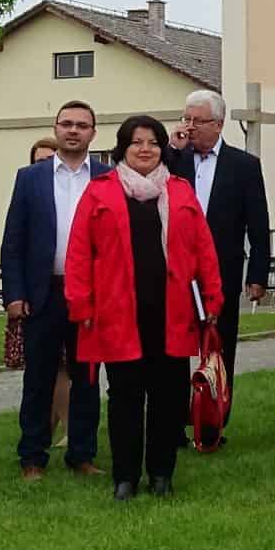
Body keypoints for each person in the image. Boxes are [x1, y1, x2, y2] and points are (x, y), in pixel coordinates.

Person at [65, 113, 223, 500]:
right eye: (136, 142)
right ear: (123, 147)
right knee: (125, 398)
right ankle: (125, 477)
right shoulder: (99, 192)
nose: (145, 149)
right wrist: (80, 304)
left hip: (172, 315)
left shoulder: (181, 191)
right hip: (118, 316)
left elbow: (204, 249)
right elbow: (79, 252)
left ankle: (162, 473)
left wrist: (213, 296)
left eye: (153, 142)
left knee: (168, 398)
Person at [0, 101, 107, 481]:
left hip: (92, 296)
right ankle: (32, 456)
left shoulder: (107, 178)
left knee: (87, 380)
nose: (73, 130)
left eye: (82, 125)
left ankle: (82, 454)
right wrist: (14, 293)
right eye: (67, 124)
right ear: (56, 128)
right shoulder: (30, 177)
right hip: (43, 294)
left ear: (94, 132)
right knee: (38, 380)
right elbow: (13, 240)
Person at [169, 89, 272, 380]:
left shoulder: (244, 166)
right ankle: (175, 414)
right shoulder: (173, 159)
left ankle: (215, 416)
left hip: (221, 269)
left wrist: (257, 275)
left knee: (220, 345)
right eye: (186, 118)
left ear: (218, 124)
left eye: (197, 121)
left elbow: (258, 224)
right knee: (174, 348)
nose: (189, 127)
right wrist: (172, 150)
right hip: (176, 272)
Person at [2, 134, 54, 377]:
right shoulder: (26, 185)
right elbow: (13, 242)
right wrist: (15, 294)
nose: (43, 166)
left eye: (49, 159)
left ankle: (64, 416)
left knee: (67, 370)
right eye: (38, 161)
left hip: (69, 291)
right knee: (37, 372)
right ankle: (45, 417)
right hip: (33, 296)